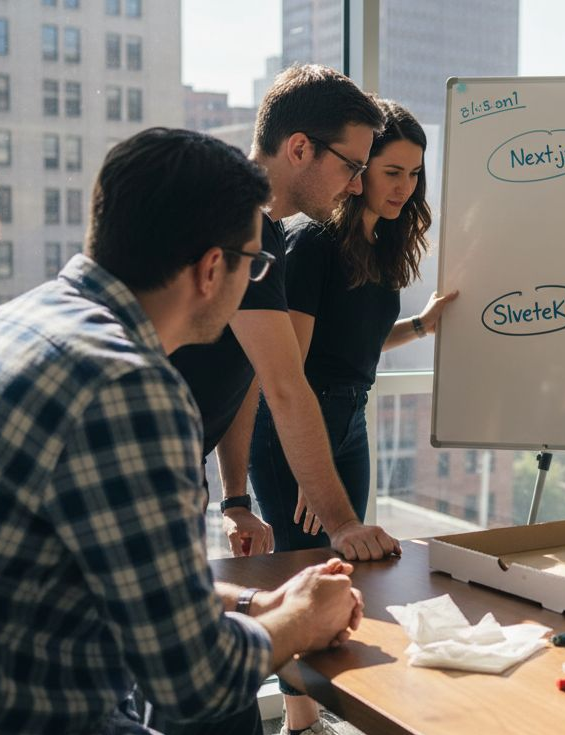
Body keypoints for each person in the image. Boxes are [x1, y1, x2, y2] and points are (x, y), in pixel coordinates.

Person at [0, 128, 364, 735]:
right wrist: (305, 618)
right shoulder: (128, 383)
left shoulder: (20, 322)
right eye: (255, 264)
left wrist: (257, 601)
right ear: (209, 269)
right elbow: (196, 680)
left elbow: (127, 580)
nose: (256, 278)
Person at [248, 99, 457, 735]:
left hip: (349, 416)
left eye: (415, 175)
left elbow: (356, 346)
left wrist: (421, 328)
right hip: (301, 424)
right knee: (305, 573)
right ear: (360, 171)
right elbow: (297, 366)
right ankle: (304, 733)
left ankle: (304, 731)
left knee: (344, 571)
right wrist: (315, 475)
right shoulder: (312, 244)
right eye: (391, 170)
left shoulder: (381, 246)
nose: (405, 187)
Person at [169, 64, 400, 565]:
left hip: (178, 471)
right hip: (141, 467)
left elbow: (243, 374)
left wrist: (234, 500)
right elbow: (285, 386)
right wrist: (342, 526)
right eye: (352, 167)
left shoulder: (261, 228)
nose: (358, 187)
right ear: (299, 148)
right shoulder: (237, 219)